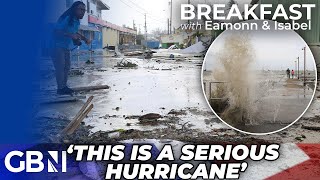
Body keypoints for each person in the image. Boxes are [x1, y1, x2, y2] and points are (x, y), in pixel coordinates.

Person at [52, 1, 91, 95]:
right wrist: (71, 35)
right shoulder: (67, 18)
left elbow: (74, 32)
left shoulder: (76, 21)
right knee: (60, 67)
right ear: (74, 9)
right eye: (81, 9)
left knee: (67, 67)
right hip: (56, 45)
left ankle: (63, 87)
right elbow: (56, 31)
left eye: (84, 10)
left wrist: (83, 38)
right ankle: (60, 89)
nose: (83, 12)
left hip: (65, 46)